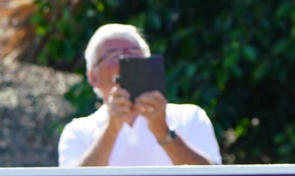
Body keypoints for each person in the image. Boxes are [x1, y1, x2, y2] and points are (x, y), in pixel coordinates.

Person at [56, 23, 222, 167]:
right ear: (93, 78)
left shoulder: (190, 117)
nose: (127, 60)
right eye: (115, 56)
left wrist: (163, 133)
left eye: (135, 54)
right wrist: (112, 129)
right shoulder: (78, 132)